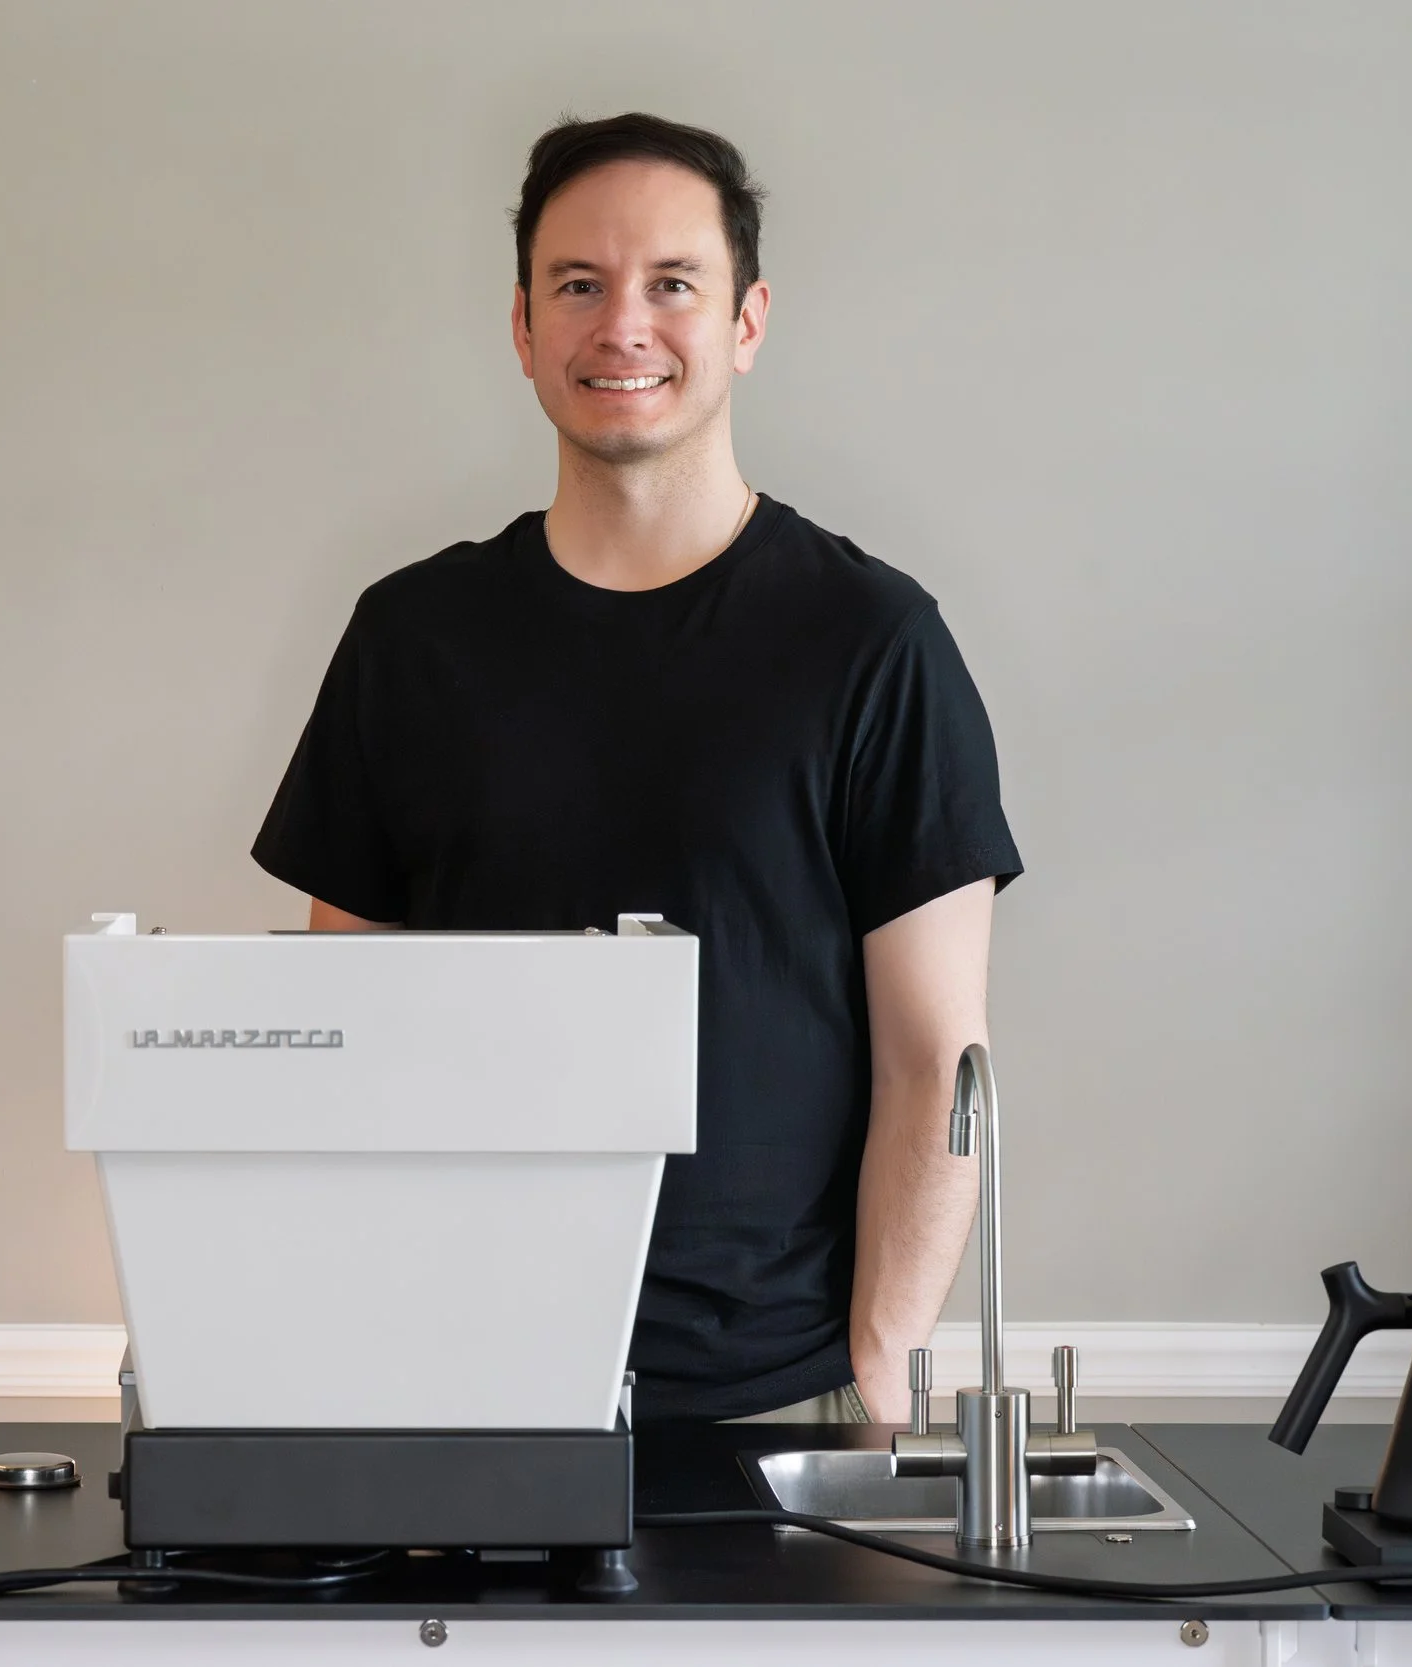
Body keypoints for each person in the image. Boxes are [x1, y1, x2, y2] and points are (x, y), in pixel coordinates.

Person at [251, 112, 1020, 1423]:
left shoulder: (874, 643)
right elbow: (347, 1044)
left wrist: (878, 1372)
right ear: (522, 327)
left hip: (775, 1398)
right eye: (579, 285)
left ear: (748, 321)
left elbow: (933, 1061)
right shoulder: (410, 638)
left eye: (673, 283)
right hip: (455, 1384)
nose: (623, 326)